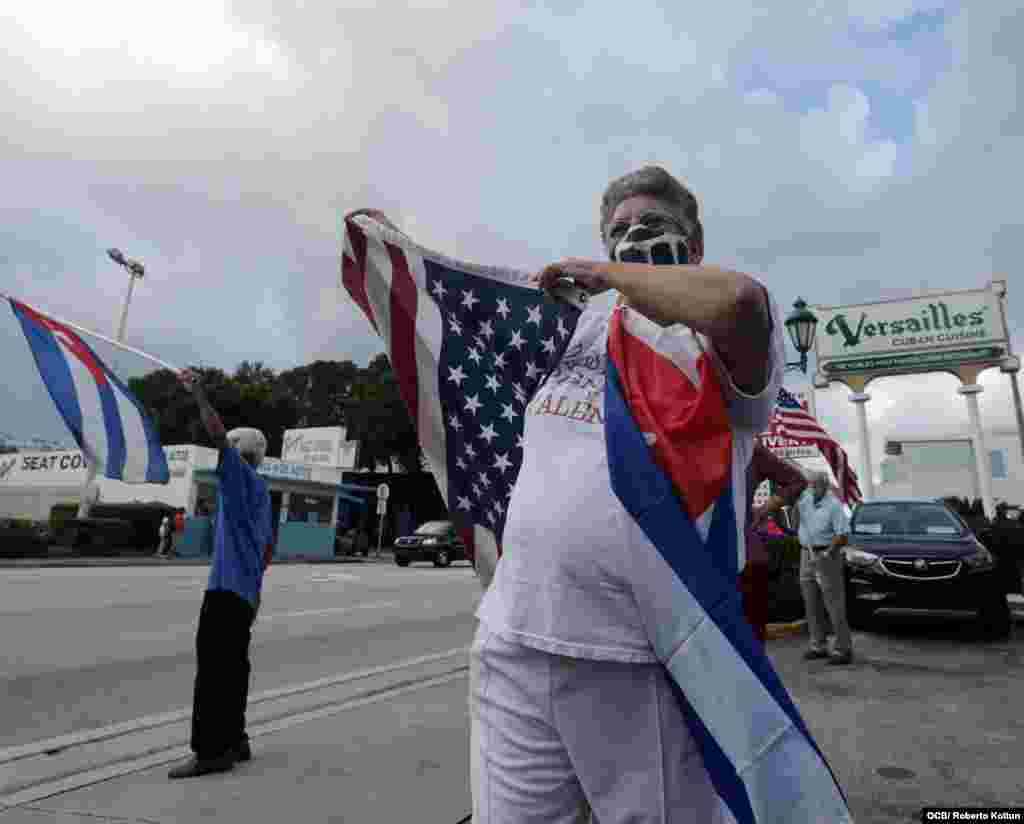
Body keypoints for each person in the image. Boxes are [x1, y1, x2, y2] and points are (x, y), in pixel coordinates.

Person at [470, 166, 785, 822]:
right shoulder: (576, 327)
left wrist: (612, 275)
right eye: (618, 231)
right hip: (517, 635)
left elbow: (740, 303)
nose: (633, 237)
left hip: (646, 657)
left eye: (654, 226)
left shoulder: (719, 333)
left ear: (695, 248)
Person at [168, 370, 275, 780]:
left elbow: (216, 434)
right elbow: (266, 553)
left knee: (212, 673)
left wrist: (198, 394)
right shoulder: (263, 494)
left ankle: (211, 751)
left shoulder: (238, 477)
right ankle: (236, 740)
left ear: (238, 452)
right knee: (235, 669)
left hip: (224, 592)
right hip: (245, 596)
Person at [741, 443, 808, 642]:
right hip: (745, 553)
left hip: (723, 556)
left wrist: (762, 510)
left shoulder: (748, 447)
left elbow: (796, 481)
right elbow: (796, 481)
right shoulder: (748, 447)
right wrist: (763, 510)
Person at [792, 470, 852, 665]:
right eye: (809, 485)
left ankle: (843, 648)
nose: (811, 488)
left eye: (814, 485)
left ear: (824, 486)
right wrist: (794, 507)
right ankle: (818, 645)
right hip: (806, 553)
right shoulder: (804, 500)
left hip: (827, 555)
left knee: (833, 604)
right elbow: (795, 525)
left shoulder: (834, 506)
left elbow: (842, 535)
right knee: (811, 602)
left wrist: (828, 552)